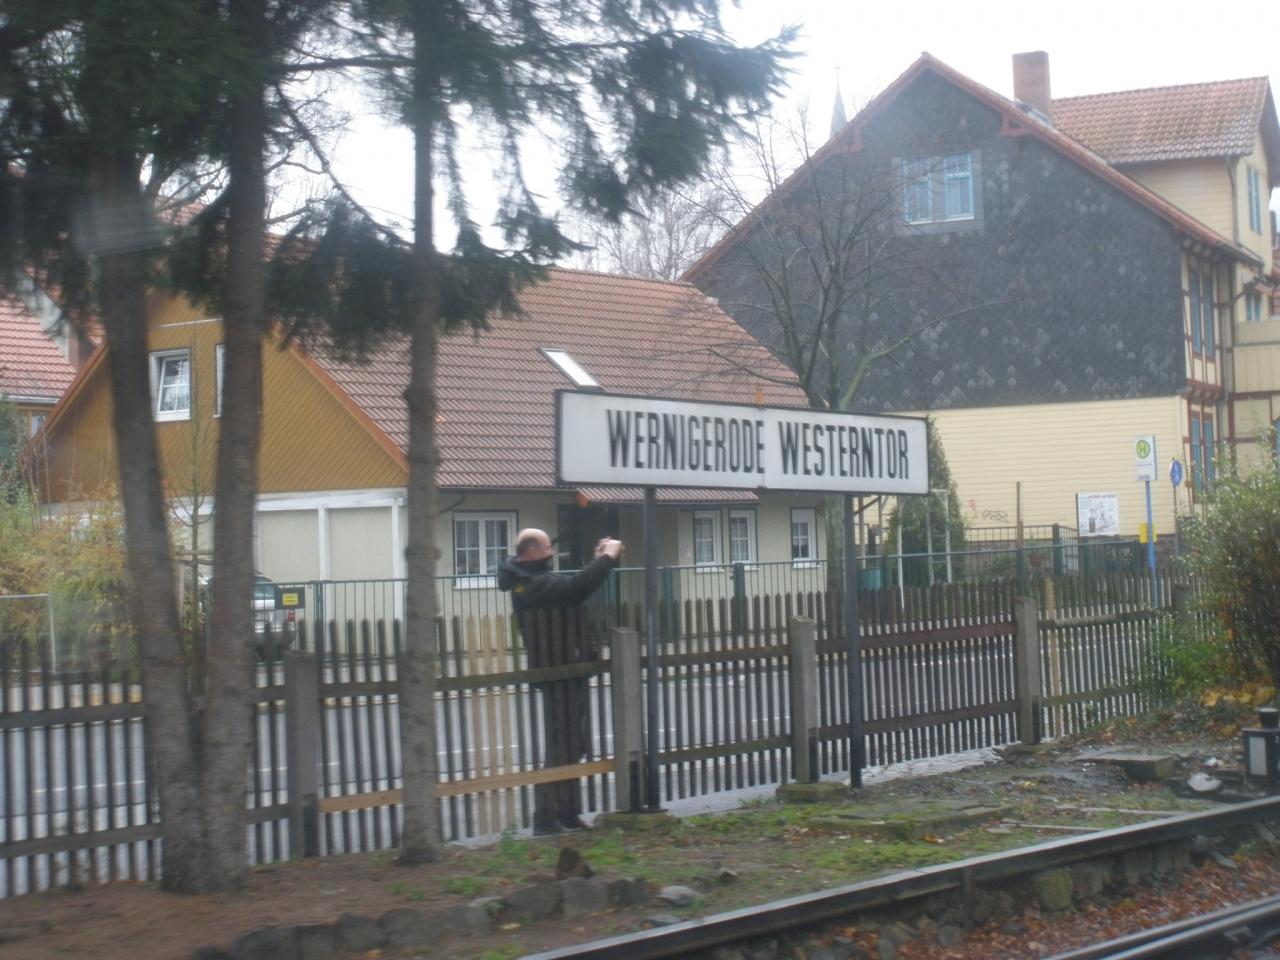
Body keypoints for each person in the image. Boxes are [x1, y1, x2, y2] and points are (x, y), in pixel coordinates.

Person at [497, 529, 623, 834]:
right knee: (561, 744)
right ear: (530, 552)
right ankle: (546, 817)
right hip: (557, 673)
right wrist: (606, 559)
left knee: (572, 743)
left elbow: (570, 586)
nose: (552, 553)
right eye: (546, 548)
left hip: (568, 669)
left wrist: (598, 560)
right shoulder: (527, 586)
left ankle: (567, 813)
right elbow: (575, 588)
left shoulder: (534, 579)